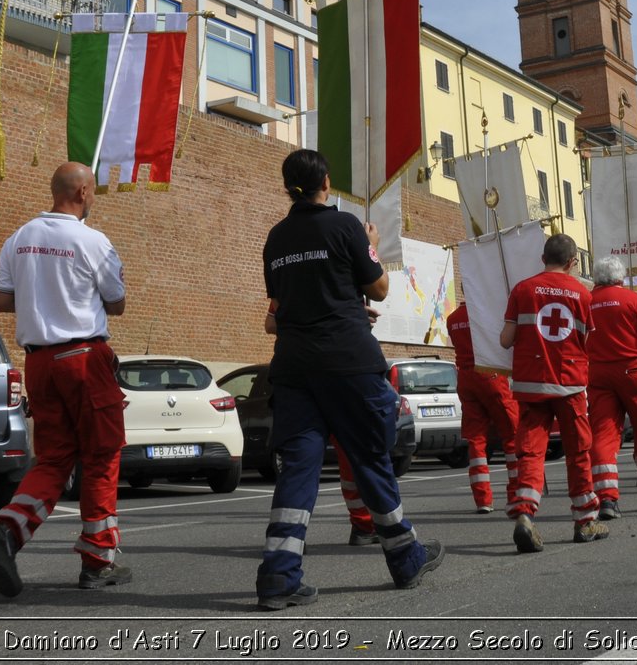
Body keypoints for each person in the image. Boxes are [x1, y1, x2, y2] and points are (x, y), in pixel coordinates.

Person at [251, 149, 442, 607]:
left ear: (287, 187)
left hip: (295, 368)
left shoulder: (275, 239)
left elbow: (282, 306)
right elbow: (378, 287)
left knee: (298, 470)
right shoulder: (345, 227)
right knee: (370, 456)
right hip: (349, 363)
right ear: (327, 182)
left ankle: (278, 577)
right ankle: (404, 557)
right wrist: (369, 243)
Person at [0, 162, 131, 596]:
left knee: (54, 460)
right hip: (84, 357)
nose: (93, 198)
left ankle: (6, 529)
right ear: (81, 191)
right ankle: (99, 560)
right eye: (93, 191)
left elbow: (2, 300)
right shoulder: (92, 241)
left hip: (39, 363)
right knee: (101, 456)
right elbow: (116, 303)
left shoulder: (19, 238)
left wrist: (40, 292)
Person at [501, 232, 606, 550]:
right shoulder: (583, 293)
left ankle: (524, 513)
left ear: (542, 258)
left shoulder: (523, 289)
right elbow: (590, 344)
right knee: (577, 453)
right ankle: (585, 521)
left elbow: (506, 339)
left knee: (531, 451)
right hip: (570, 384)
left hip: (531, 384)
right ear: (573, 262)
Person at [586, 256, 637, 517]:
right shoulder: (635, 300)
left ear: (596, 277)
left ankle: (607, 499)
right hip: (634, 372)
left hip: (597, 374)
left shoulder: (586, 301)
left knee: (603, 436)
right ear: (621, 277)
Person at [449, 301, 520, 515]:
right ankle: (516, 493)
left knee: (476, 440)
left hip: (466, 377)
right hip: (490, 374)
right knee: (511, 434)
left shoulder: (452, 318)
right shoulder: (486, 312)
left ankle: (482, 499)